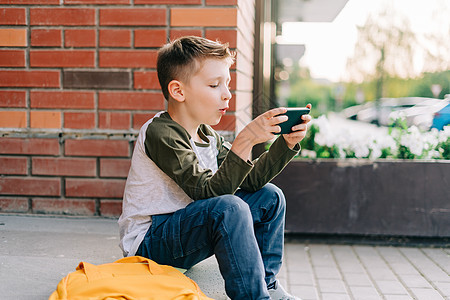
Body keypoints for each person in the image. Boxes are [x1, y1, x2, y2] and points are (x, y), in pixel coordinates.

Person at [118, 36, 312, 300]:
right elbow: (208, 194)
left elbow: (250, 180)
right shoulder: (161, 133)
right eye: (214, 84)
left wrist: (285, 144)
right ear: (178, 91)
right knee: (230, 207)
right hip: (150, 243)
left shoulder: (207, 135)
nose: (227, 94)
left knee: (270, 197)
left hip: (185, 228)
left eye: (228, 84)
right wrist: (245, 140)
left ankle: (267, 285)